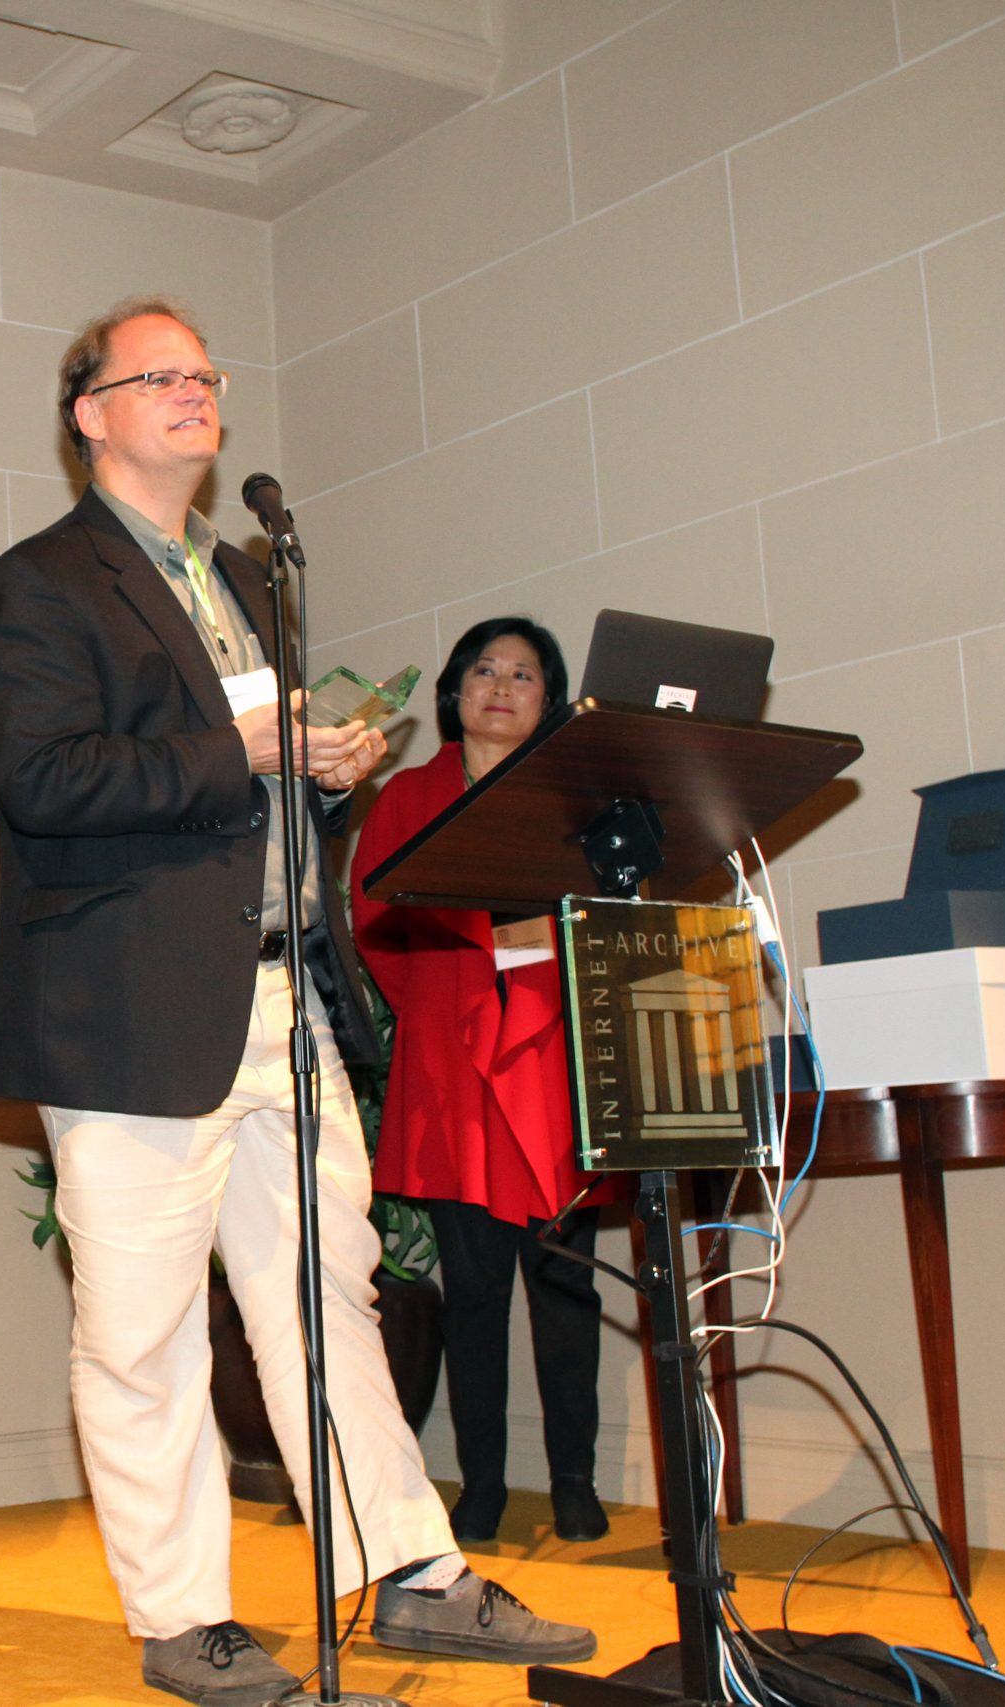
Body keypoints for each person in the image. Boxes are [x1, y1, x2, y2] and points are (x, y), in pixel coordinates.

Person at [0, 297, 596, 1707]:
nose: (194, 393)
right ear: (92, 411)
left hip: (283, 998)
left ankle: (414, 1571)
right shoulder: (42, 583)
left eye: (205, 375)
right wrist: (231, 745)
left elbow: (245, 769)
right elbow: (43, 781)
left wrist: (319, 761)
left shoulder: (246, 574)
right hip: (130, 1006)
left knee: (333, 1296)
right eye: (160, 376)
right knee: (140, 1326)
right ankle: (188, 1614)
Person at [350, 618, 617, 1546]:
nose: (502, 687)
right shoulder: (409, 797)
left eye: (525, 675)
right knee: (473, 1297)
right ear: (455, 691)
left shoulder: (573, 797)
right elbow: (374, 922)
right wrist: (441, 1005)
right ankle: (486, 1485)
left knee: (566, 1288)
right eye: (485, 671)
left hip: (553, 1067)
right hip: (454, 1074)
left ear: (550, 701)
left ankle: (576, 1480)